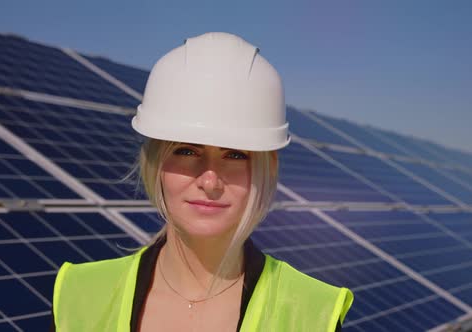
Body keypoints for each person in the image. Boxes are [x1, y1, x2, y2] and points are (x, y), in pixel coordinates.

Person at [50, 32, 353, 331]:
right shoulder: (79, 294)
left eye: (235, 155)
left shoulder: (312, 313)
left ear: (268, 166)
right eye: (185, 150)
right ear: (155, 161)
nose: (210, 181)